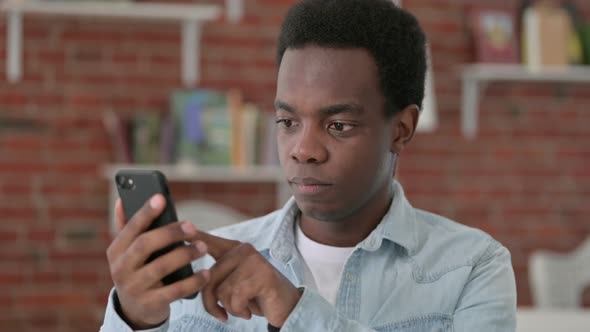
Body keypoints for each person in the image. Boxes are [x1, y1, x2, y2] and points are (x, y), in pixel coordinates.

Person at [100, 0, 517, 331]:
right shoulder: (202, 267)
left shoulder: (472, 266)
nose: (303, 150)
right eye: (287, 122)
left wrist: (294, 311)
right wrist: (136, 320)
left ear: (401, 129)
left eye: (338, 125)